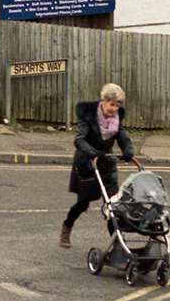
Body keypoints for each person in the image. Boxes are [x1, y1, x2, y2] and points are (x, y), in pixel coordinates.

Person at [59, 83, 138, 248]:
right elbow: (79, 139)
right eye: (112, 104)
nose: (115, 109)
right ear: (103, 101)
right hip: (87, 163)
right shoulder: (88, 115)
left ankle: (118, 243)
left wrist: (128, 150)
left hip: (107, 164)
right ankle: (67, 226)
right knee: (83, 203)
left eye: (118, 105)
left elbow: (121, 135)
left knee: (113, 205)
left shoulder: (117, 117)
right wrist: (93, 152)